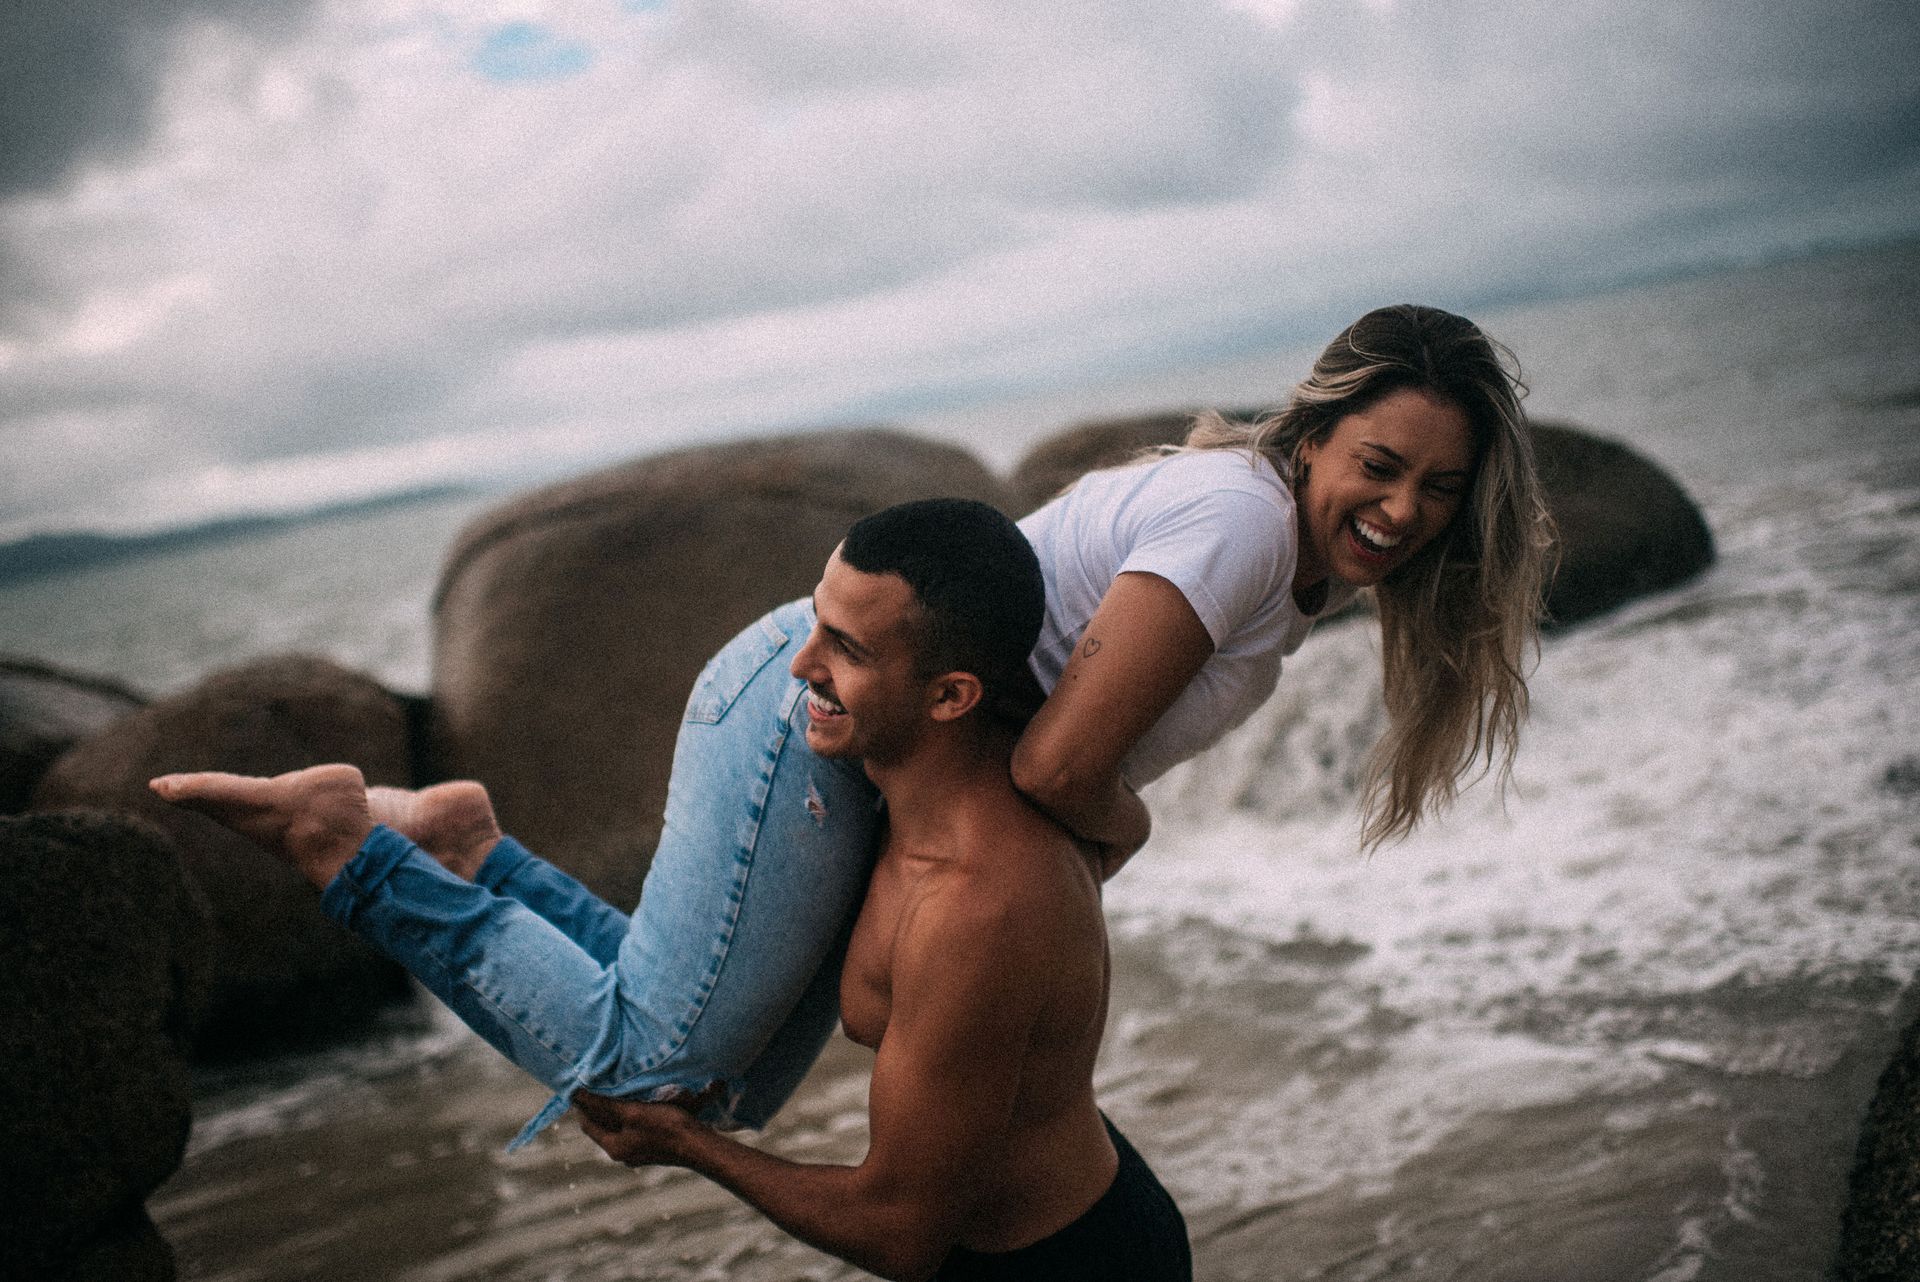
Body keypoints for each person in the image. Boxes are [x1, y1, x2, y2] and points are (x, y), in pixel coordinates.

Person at [152, 303, 1552, 1152]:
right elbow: (1063, 765)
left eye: (1440, 490)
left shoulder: (1290, 564)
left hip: (880, 749)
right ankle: (354, 846)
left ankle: (473, 848)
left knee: (730, 1090)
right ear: (1314, 434)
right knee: (653, 1072)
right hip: (819, 708)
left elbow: (1044, 752)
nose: (1403, 510)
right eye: (1382, 466)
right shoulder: (1240, 524)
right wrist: (1122, 830)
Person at [576, 499, 1190, 1280]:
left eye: (847, 649)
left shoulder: (974, 908)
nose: (801, 665)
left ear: (951, 697)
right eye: (816, 622)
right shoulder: (913, 787)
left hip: (1064, 1262)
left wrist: (685, 1145)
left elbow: (900, 1233)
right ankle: (479, 860)